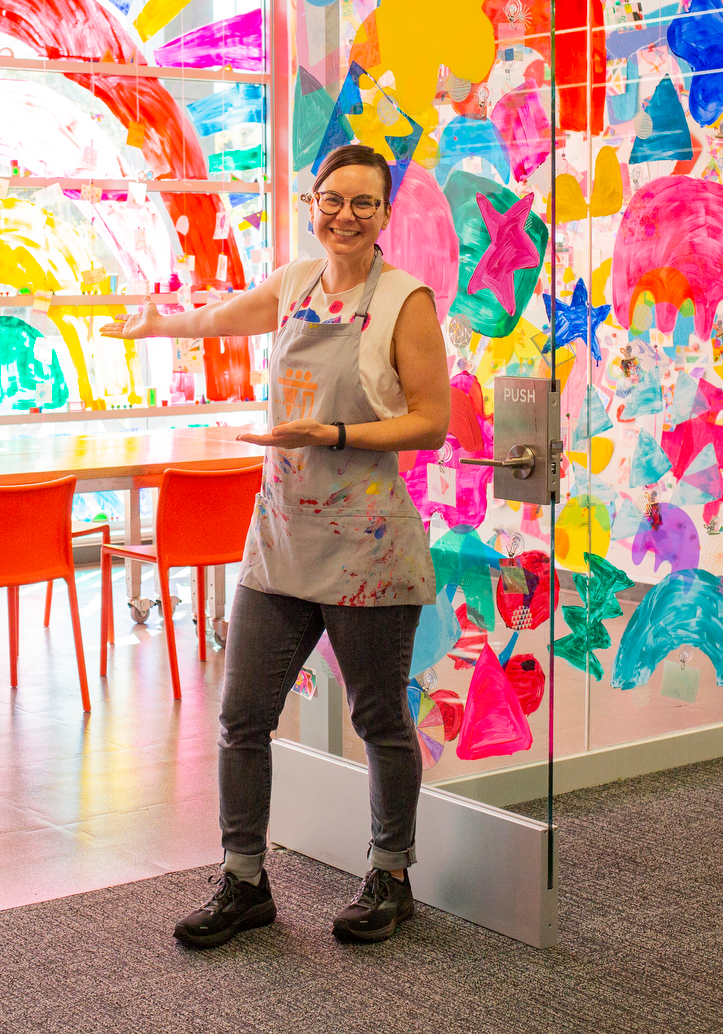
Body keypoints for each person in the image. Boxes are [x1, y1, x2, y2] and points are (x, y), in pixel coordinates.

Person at [102, 143, 448, 948]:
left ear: (385, 215)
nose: (346, 215)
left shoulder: (405, 301)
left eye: (365, 203)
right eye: (333, 199)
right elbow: (225, 316)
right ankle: (244, 879)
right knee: (241, 716)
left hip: (366, 548)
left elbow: (431, 420)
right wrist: (159, 322)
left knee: (378, 719)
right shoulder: (296, 282)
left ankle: (392, 875)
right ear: (313, 202)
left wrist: (329, 431)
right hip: (282, 539)